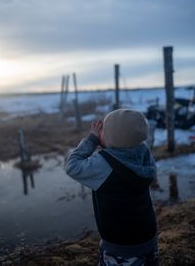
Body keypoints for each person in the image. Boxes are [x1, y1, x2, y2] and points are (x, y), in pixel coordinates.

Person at [65, 109, 158, 266]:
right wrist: (109, 141)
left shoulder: (104, 164)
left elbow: (72, 166)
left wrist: (92, 139)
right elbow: (126, 147)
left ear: (112, 138)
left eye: (104, 130)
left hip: (120, 246)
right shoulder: (143, 152)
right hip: (147, 236)